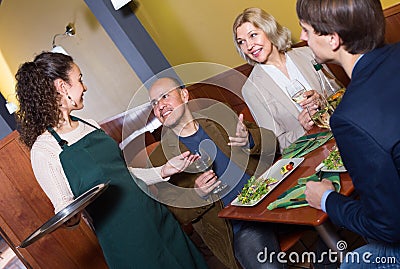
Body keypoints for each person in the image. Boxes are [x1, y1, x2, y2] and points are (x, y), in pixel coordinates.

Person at [15, 52, 208, 269]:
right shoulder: (45, 149)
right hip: (125, 239)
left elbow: (123, 175)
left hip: (154, 215)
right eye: (79, 79)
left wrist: (164, 170)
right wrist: (70, 217)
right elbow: (66, 211)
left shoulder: (90, 125)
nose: (84, 86)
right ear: (62, 86)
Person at [296, 0, 400, 267]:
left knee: (353, 261)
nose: (301, 37)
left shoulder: (350, 119)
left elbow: (387, 228)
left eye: (306, 30)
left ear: (332, 39)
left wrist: (327, 200)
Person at [146, 77, 289, 269]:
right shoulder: (160, 158)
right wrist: (197, 195)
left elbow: (271, 142)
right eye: (154, 104)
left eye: (165, 96)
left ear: (184, 95)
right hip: (240, 226)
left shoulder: (217, 114)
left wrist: (249, 141)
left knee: (329, 206)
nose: (160, 106)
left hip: (273, 197)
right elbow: (175, 214)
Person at [233, 7, 326, 152]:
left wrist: (322, 100)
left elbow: (341, 95)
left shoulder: (308, 54)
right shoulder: (251, 89)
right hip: (311, 154)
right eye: (241, 42)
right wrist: (303, 128)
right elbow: (277, 144)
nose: (249, 46)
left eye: (253, 35)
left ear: (269, 30)